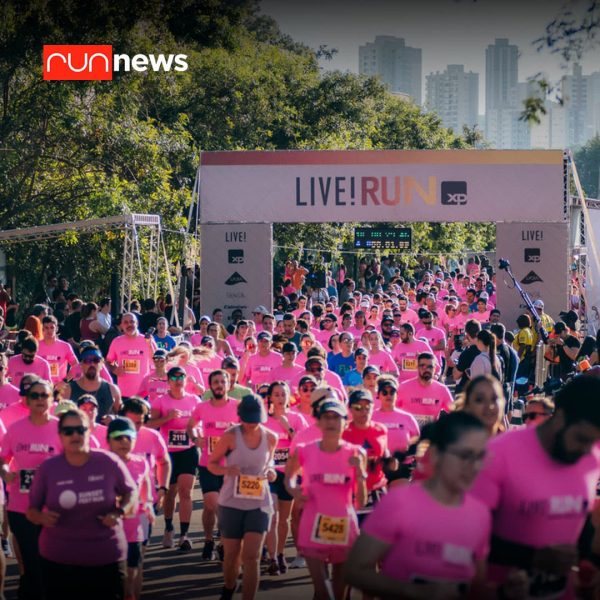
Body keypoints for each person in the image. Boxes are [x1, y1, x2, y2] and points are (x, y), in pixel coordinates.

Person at [471, 375, 600, 598]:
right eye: (581, 438)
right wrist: (532, 557)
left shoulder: (591, 456)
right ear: (559, 418)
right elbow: (465, 536)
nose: (586, 450)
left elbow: (579, 526)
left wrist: (588, 569)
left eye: (594, 442)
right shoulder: (499, 455)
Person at [344, 412, 491, 598]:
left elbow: (478, 582)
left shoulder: (479, 513)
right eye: (464, 455)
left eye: (480, 456)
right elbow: (354, 571)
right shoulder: (399, 503)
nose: (474, 465)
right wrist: (413, 591)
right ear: (437, 455)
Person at [27, 408, 136, 600]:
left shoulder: (108, 462)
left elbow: (131, 492)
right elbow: (32, 510)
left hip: (106, 556)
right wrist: (41, 517)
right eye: (69, 431)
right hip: (58, 559)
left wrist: (120, 511)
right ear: (60, 436)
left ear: (89, 431)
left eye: (80, 429)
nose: (75, 435)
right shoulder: (48, 468)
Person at [285, 397, 367, 600]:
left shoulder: (356, 453)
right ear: (319, 422)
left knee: (340, 593)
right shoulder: (305, 451)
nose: (331, 422)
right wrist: (296, 492)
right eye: (326, 417)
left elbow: (362, 502)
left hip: (344, 524)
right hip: (314, 524)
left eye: (336, 417)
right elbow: (289, 477)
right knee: (323, 592)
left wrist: (360, 473)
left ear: (345, 422)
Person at [208, 394, 278, 600]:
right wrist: (227, 470)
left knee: (252, 556)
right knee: (231, 556)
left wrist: (271, 472)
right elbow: (212, 464)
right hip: (231, 503)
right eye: (247, 419)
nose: (251, 423)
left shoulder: (271, 437)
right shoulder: (230, 436)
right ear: (240, 417)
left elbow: (270, 463)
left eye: (255, 419)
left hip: (259, 503)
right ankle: (229, 587)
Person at [0, 378, 59, 599]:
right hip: (21, 506)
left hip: (52, 506)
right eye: (35, 396)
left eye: (44, 395)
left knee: (49, 563)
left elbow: (75, 461)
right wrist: (5, 472)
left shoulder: (61, 428)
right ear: (27, 399)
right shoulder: (15, 430)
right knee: (32, 562)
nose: (40, 400)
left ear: (52, 399)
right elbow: (2, 458)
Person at [186, 370, 239, 560]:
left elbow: (250, 430)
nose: (219, 385)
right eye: (215, 382)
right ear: (210, 386)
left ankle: (221, 544)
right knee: (212, 505)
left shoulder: (237, 407)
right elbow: (191, 425)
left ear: (228, 384)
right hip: (208, 464)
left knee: (221, 508)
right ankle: (210, 540)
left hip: (231, 467)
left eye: (222, 382)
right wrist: (195, 438)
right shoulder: (202, 407)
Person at [147, 366, 200, 552]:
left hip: (188, 450)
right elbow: (150, 424)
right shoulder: (160, 401)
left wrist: (197, 435)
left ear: (186, 380)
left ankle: (184, 535)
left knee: (186, 492)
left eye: (181, 376)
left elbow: (199, 425)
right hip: (168, 453)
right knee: (170, 493)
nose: (178, 380)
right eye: (175, 377)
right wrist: (167, 418)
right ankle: (169, 527)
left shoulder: (194, 400)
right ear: (168, 381)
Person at [106, 417, 154, 600]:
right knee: (114, 571)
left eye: (129, 437)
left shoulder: (140, 461)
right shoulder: (102, 462)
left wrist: (148, 503)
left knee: (134, 566)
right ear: (109, 440)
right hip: (108, 526)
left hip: (135, 523)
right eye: (118, 437)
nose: (124, 442)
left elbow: (146, 483)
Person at [264, 381, 308, 576]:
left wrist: (287, 427)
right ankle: (273, 557)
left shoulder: (297, 419)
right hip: (269, 475)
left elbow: (303, 446)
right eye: (276, 394)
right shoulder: (263, 419)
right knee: (272, 517)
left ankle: (281, 553)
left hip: (289, 474)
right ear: (270, 398)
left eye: (283, 394)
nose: (280, 398)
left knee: (284, 519)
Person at [343, 389, 389, 521]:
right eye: (358, 407)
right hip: (352, 492)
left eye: (367, 407)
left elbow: (384, 454)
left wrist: (389, 460)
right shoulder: (344, 432)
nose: (364, 411)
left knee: (378, 537)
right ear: (350, 409)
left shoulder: (381, 429)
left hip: (376, 490)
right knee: (351, 536)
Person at [62, 346, 121, 421]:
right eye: (87, 360)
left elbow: (121, 417)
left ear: (102, 364)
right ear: (81, 364)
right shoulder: (68, 390)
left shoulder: (113, 390)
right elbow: (60, 420)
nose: (92, 364)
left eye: (96, 360)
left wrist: (114, 418)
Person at [397, 352, 454, 428]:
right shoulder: (403, 387)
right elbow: (391, 411)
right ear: (417, 367)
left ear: (435, 369)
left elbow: (454, 413)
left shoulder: (442, 390)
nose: (426, 369)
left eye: (430, 367)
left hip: (430, 436)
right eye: (423, 366)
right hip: (409, 435)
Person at [106, 313, 156, 398]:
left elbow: (156, 360)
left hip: (144, 393)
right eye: (125, 322)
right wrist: (114, 369)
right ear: (121, 325)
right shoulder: (116, 342)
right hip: (124, 393)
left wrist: (149, 344)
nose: (129, 324)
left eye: (132, 322)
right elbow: (108, 361)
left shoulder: (147, 340)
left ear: (137, 323)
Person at [372, 377, 420, 454]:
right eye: (384, 392)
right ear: (379, 395)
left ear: (397, 395)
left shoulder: (408, 418)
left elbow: (417, 442)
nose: (388, 395)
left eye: (392, 392)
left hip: (403, 463)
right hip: (378, 463)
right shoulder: (371, 417)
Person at [37, 315, 78, 384]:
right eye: (46, 328)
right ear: (42, 329)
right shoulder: (36, 345)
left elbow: (76, 365)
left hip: (59, 387)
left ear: (57, 329)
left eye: (52, 327)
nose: (49, 330)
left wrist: (65, 381)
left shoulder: (65, 346)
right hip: (40, 386)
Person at [453, 319, 482, 393]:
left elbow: (456, 376)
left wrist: (455, 363)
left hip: (468, 390)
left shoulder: (467, 353)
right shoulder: (488, 349)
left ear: (467, 334)